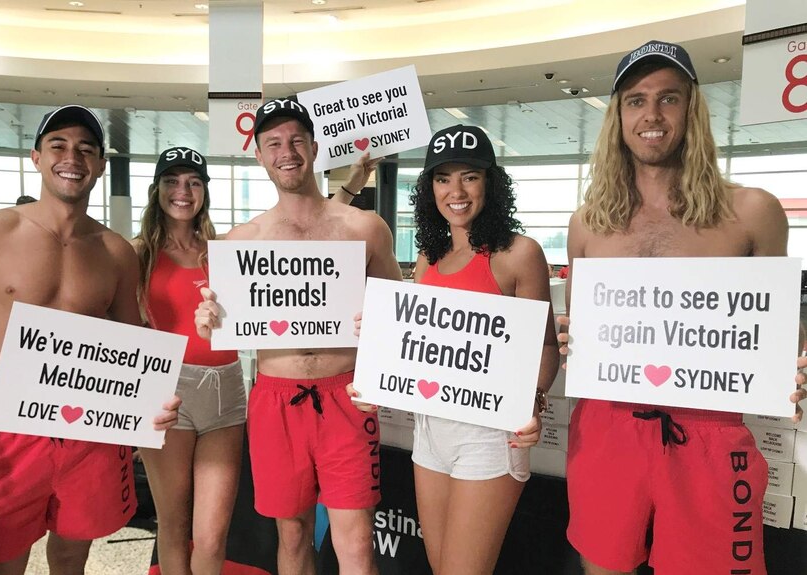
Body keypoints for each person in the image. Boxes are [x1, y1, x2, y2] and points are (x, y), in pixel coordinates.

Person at [559, 41, 807, 575]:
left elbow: (779, 330)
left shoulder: (751, 212)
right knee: (602, 566)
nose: (651, 115)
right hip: (607, 426)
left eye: (669, 99)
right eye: (636, 100)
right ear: (618, 117)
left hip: (710, 431)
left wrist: (798, 359)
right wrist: (563, 339)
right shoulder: (588, 224)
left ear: (692, 109)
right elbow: (583, 334)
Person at [0, 104, 180, 575]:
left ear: (99, 165)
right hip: (14, 428)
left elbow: (132, 341)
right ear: (35, 157)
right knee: (2, 558)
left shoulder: (115, 252)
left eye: (85, 149)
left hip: (90, 433)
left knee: (72, 557)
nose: (72, 157)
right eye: (58, 145)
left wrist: (149, 403)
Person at [195, 98, 402, 575]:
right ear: (260, 155)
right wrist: (210, 318)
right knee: (291, 538)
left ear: (314, 146)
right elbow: (223, 323)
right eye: (273, 143)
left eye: (295, 140)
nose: (286, 152)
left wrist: (378, 325)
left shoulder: (364, 229)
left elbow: (398, 319)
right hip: (274, 399)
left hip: (345, 395)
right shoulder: (242, 241)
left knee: (356, 544)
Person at [349, 124, 559, 574]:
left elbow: (544, 346)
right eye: (443, 179)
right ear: (429, 189)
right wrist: (379, 360)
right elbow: (419, 345)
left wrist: (534, 399)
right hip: (431, 431)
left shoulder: (519, 254)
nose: (456, 191)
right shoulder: (429, 257)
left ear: (491, 183)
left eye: (470, 176)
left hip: (490, 434)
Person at [133, 147, 246, 575]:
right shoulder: (138, 253)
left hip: (227, 391)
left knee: (214, 533)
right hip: (168, 391)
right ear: (157, 190)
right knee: (175, 523)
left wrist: (347, 189)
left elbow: (295, 252)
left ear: (205, 192)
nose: (183, 191)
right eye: (172, 181)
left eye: (194, 182)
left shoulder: (223, 251)